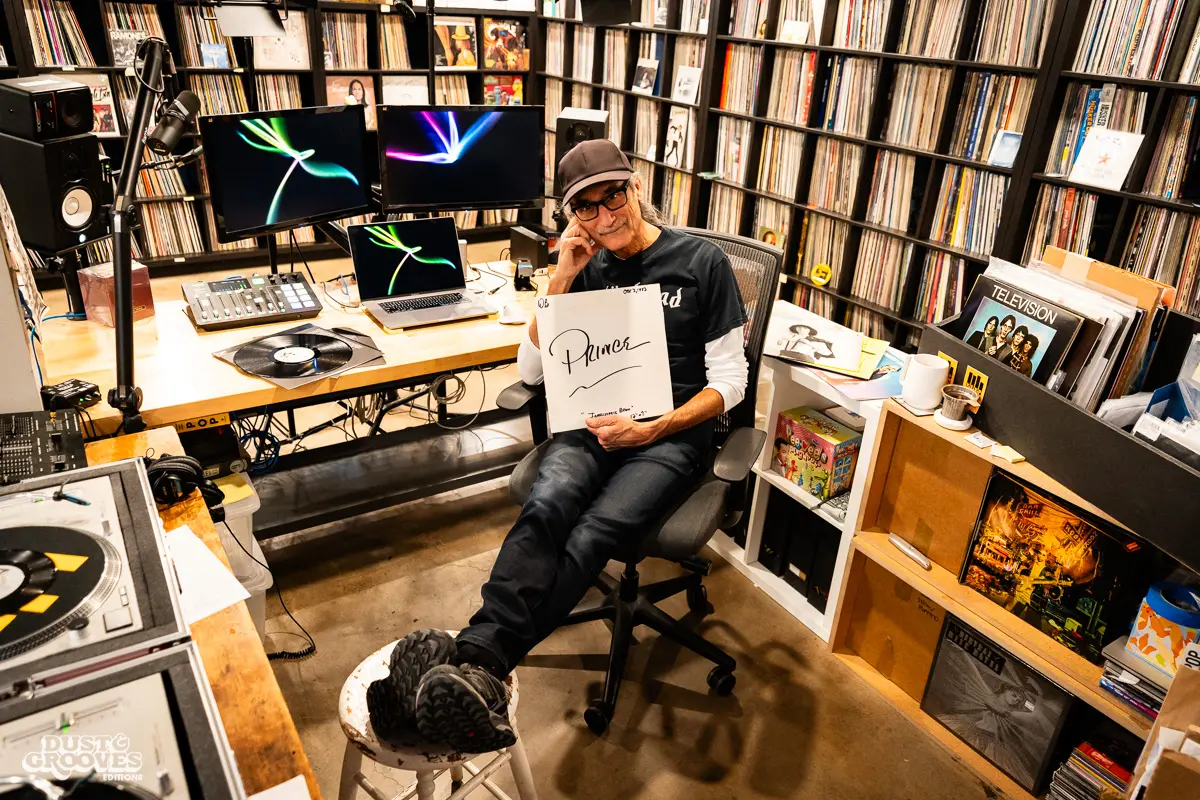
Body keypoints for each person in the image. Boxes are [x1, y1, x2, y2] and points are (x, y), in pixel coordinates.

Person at [370, 140, 749, 752]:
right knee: (547, 505)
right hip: (591, 424)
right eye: (587, 209)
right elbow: (532, 370)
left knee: (592, 531)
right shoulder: (587, 263)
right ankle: (473, 670)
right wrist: (563, 276)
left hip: (667, 435)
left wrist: (655, 428)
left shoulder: (700, 262)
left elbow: (730, 383)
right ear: (572, 215)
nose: (605, 218)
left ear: (634, 187)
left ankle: (478, 660)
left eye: (614, 197)